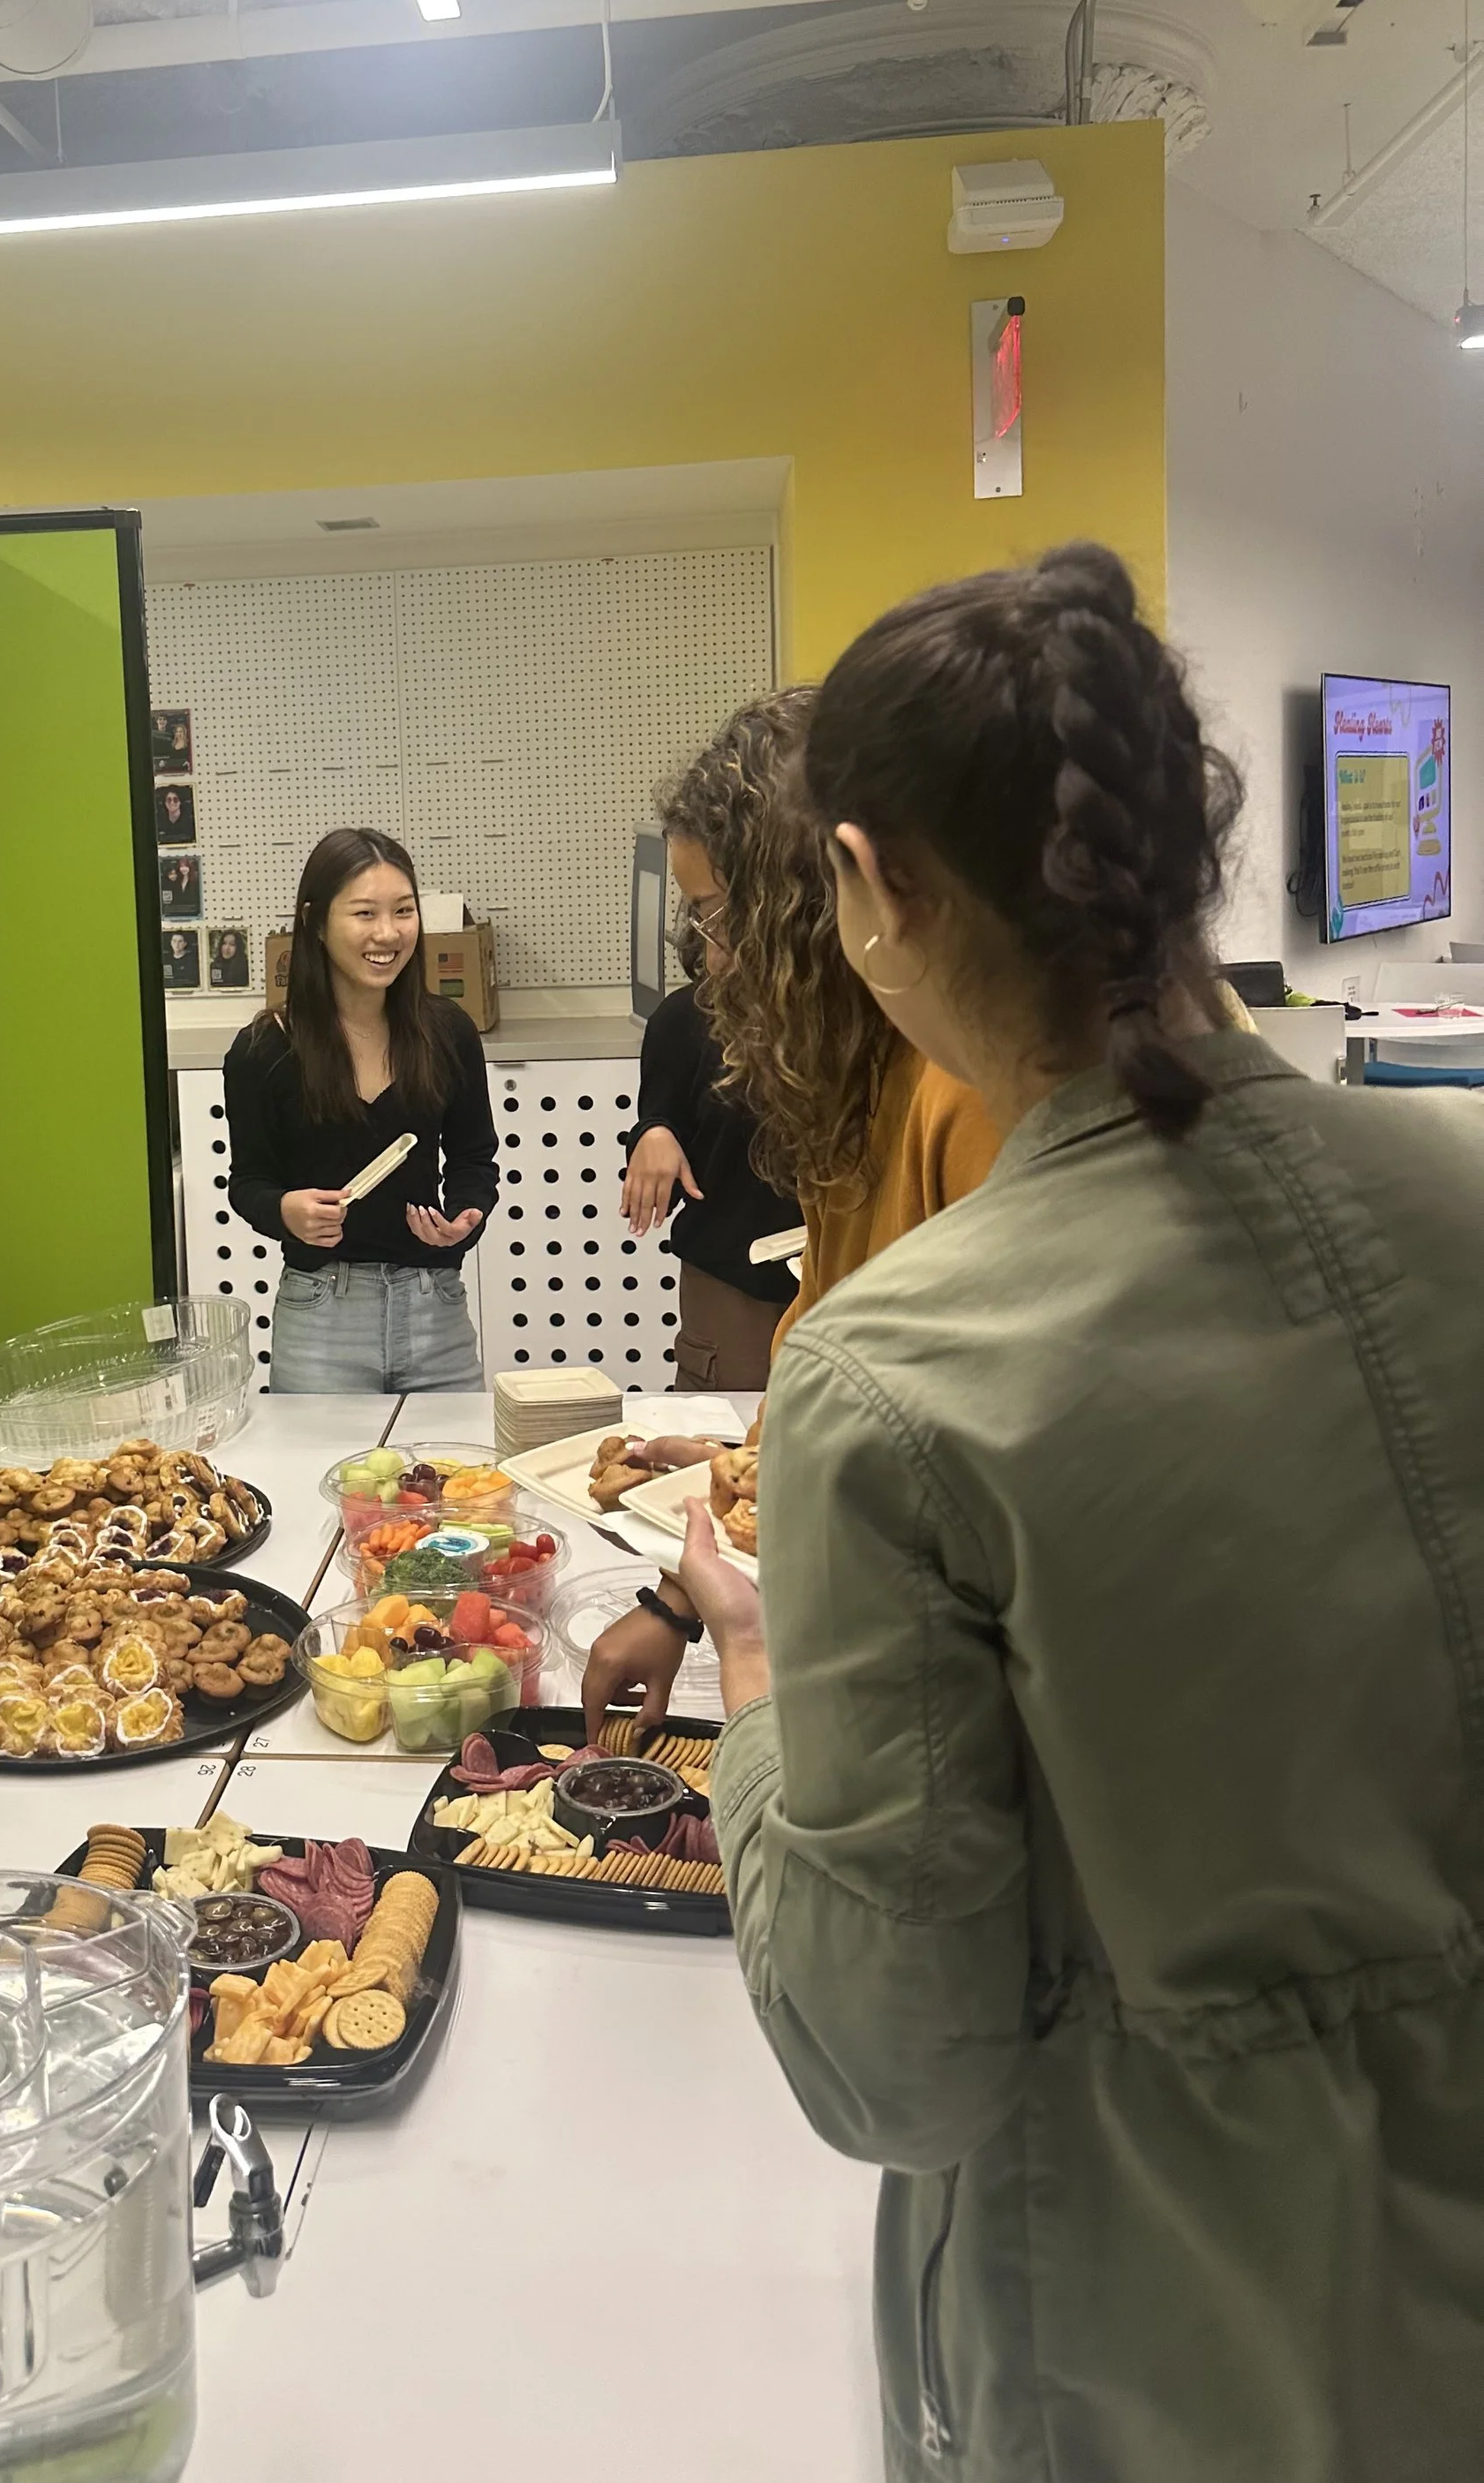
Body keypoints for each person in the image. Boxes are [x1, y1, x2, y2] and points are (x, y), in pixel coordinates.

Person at [682, 542, 1484, 2480]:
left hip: (1147, 2334)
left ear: (866, 885)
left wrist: (757, 1691)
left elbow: (894, 2058)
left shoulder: (897, 1380)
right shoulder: (1454, 1198)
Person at [586, 692, 1000, 1725]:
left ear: (818, 900)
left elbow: (977, 1470)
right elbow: (824, 1352)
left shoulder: (966, 1093)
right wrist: (688, 1581)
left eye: (721, 918)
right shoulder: (852, 1084)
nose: (712, 957)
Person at [225, 826, 497, 1392]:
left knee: (456, 1454)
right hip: (321, 1312)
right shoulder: (265, 1050)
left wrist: (464, 1218)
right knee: (314, 1455)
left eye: (404, 911)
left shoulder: (447, 1031)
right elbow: (250, 1183)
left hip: (436, 1308)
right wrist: (286, 1211)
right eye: (365, 913)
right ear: (315, 922)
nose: (388, 933)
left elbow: (474, 1160)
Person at [621, 738, 802, 1385]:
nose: (711, 949)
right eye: (697, 913)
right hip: (736, 1286)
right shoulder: (686, 1019)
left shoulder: (868, 1022)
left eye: (710, 912)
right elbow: (663, 1121)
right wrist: (654, 1133)